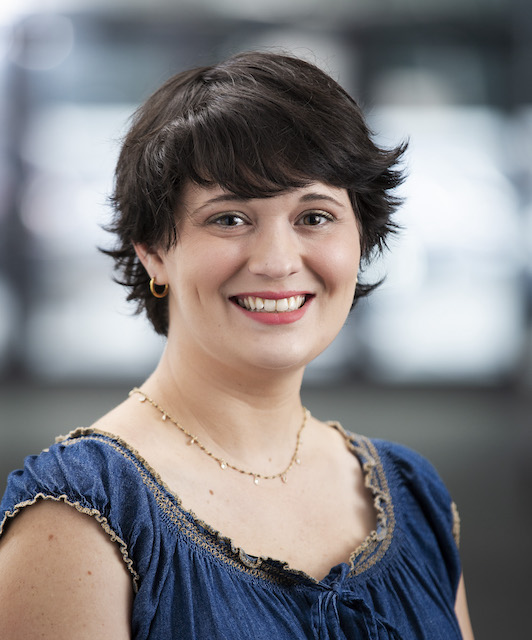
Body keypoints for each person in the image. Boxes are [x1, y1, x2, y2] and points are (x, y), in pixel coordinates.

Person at [0, 50, 474, 639]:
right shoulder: (78, 516)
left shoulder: (412, 492)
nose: (277, 262)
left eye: (315, 217)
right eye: (229, 219)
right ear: (153, 250)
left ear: (362, 237)